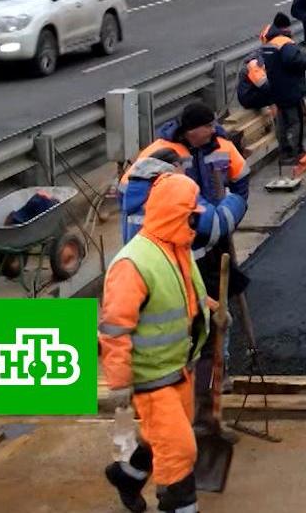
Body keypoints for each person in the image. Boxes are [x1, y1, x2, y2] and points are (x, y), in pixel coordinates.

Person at [124, 101, 248, 429]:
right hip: (163, 363)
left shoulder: (147, 222)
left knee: (213, 325)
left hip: (160, 350)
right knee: (202, 340)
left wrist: (206, 303)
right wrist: (234, 203)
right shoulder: (174, 207)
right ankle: (202, 410)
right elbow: (213, 221)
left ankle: (197, 411)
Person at [102, 171, 212, 513]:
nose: (197, 219)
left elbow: (186, 297)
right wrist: (119, 382)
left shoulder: (177, 248)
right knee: (180, 451)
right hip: (151, 378)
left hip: (178, 369)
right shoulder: (133, 264)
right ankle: (178, 505)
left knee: (161, 438)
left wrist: (214, 310)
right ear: (177, 213)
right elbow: (115, 329)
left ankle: (128, 475)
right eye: (193, 213)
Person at [260, 13, 306, 159]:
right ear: (286, 27)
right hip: (291, 89)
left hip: (276, 90)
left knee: (281, 122)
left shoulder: (268, 44)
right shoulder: (285, 43)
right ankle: (296, 151)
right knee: (296, 120)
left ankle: (284, 151)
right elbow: (292, 60)